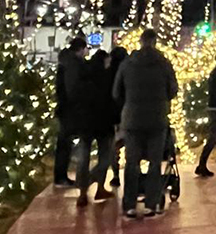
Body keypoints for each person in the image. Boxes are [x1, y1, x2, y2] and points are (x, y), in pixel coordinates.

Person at [112, 29, 177, 219]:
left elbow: (116, 92)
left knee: (132, 162)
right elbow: (173, 90)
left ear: (140, 42)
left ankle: (130, 205)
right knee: (155, 162)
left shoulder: (127, 64)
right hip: (157, 119)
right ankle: (151, 203)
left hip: (132, 119)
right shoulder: (164, 63)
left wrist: (130, 103)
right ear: (155, 42)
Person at [73, 51, 116, 207]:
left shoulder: (84, 75)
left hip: (86, 124)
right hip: (104, 124)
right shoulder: (107, 78)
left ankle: (83, 193)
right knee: (105, 157)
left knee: (83, 159)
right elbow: (113, 100)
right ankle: (97, 186)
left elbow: (77, 98)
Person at [53, 38, 87, 187]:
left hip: (64, 108)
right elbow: (73, 88)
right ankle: (61, 177)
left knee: (64, 143)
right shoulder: (73, 64)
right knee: (65, 144)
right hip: (69, 109)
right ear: (80, 49)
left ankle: (60, 175)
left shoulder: (65, 62)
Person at [107, 46, 128, 188]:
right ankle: (132, 175)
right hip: (127, 114)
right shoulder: (128, 72)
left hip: (111, 116)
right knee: (131, 145)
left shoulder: (107, 73)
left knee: (113, 147)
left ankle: (115, 174)